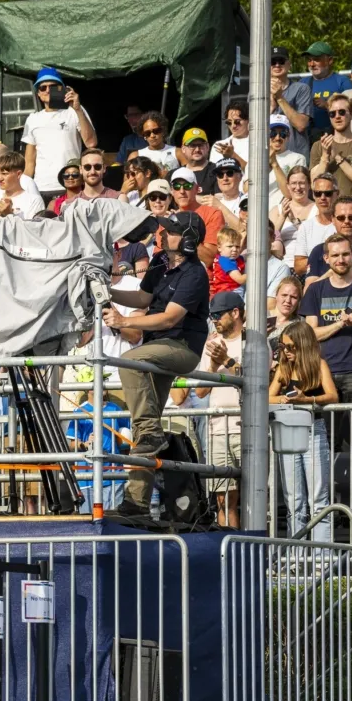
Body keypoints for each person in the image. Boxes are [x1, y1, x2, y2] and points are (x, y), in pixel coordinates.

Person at [104, 212, 207, 521]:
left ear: (188, 240)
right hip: (155, 348)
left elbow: (171, 318)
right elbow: (143, 296)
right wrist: (106, 292)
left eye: (172, 231)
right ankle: (137, 504)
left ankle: (150, 434)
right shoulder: (161, 260)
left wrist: (124, 321)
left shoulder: (195, 273)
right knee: (143, 426)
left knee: (130, 361)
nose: (163, 234)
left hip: (182, 347)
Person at [270, 322, 336, 541]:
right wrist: (283, 399)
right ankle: (296, 559)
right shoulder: (283, 368)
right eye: (283, 347)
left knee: (318, 499)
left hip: (313, 430)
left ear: (302, 345)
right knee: (294, 501)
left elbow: (333, 396)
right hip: (288, 433)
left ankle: (321, 558)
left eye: (290, 347)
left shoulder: (319, 365)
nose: (286, 352)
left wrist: (307, 400)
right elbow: (268, 397)